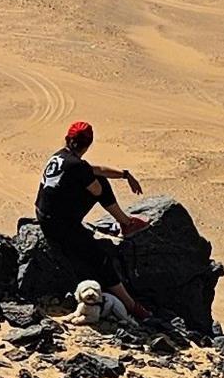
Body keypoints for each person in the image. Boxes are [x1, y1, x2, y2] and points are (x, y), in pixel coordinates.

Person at [36, 120, 152, 325]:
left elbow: (93, 169)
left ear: (67, 139)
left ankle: (124, 222)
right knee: (101, 259)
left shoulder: (61, 157)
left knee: (98, 179)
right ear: (89, 144)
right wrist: (121, 178)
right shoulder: (77, 166)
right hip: (60, 225)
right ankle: (131, 305)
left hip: (46, 214)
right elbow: (97, 188)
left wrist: (124, 174)